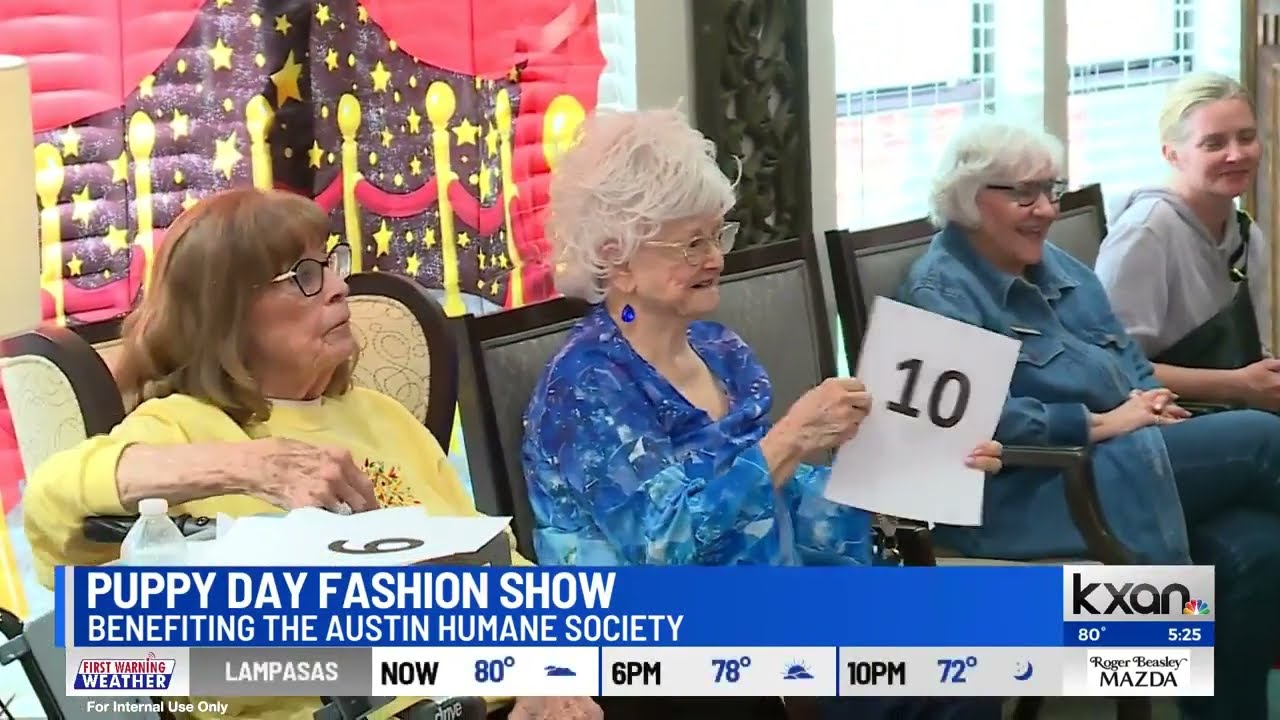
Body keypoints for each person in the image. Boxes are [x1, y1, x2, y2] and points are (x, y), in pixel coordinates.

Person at [21, 189, 600, 720]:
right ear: (227, 315)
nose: (338, 287)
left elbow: (501, 570)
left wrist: (548, 676)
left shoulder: (378, 415)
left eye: (331, 264)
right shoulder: (179, 427)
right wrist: (246, 465)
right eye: (303, 275)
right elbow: (49, 510)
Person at [521, 107, 1004, 720]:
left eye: (716, 235)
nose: (715, 258)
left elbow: (786, 500)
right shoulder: (586, 387)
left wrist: (911, 470)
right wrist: (790, 440)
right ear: (617, 261)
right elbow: (664, 552)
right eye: (690, 242)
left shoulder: (720, 352)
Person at [896, 117, 1280, 719]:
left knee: (1255, 551)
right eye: (1023, 194)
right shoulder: (938, 293)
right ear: (971, 201)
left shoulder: (1060, 270)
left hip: (1122, 461)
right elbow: (961, 427)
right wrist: (1099, 424)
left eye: (1052, 189)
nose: (1046, 209)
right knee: (1263, 439)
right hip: (1029, 493)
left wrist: (1153, 402)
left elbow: (1126, 358)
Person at [1095, 72, 1280, 409]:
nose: (1236, 154)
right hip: (1162, 418)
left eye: (1246, 137)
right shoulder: (1145, 233)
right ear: (1172, 155)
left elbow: (1257, 353)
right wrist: (1237, 385)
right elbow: (1111, 368)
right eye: (1214, 143)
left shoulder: (1246, 232)